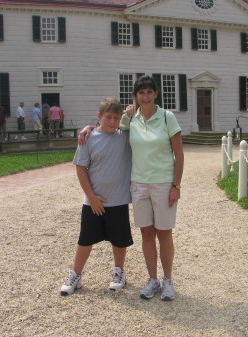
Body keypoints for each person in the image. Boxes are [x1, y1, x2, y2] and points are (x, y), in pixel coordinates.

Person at [79, 75, 184, 301]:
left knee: (164, 233)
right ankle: (152, 279)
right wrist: (89, 128)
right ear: (135, 96)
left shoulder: (167, 118)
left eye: (149, 92)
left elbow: (179, 154)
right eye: (141, 93)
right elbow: (109, 128)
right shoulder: (131, 119)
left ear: (156, 94)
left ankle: (167, 280)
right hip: (138, 184)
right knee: (146, 233)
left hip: (163, 183)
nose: (145, 96)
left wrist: (176, 185)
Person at [60, 97, 133, 296]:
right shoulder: (88, 138)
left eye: (117, 118)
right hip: (93, 201)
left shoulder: (125, 136)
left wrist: (129, 114)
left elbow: (136, 119)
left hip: (118, 199)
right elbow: (81, 169)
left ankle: (119, 272)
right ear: (99, 116)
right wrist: (91, 197)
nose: (112, 122)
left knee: (119, 240)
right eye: (108, 117)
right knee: (85, 239)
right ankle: (75, 274)